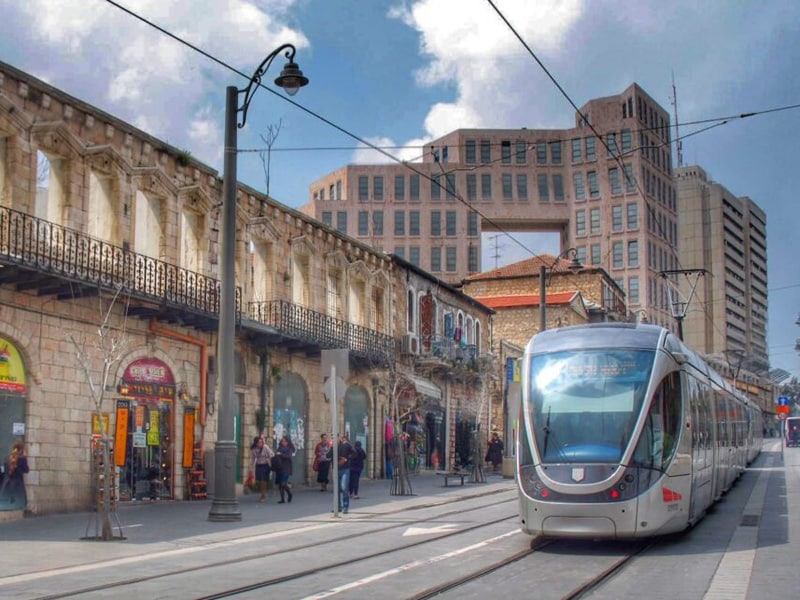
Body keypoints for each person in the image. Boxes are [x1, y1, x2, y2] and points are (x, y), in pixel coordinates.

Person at [0, 440, 30, 509]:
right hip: (17, 484)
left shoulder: (7, 458)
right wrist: (25, 457)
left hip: (6, 484)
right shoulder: (22, 459)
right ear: (21, 450)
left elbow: (6, 471)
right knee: (18, 504)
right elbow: (26, 470)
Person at [250, 435, 274, 503]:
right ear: (256, 443)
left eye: (261, 442)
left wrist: (267, 457)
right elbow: (253, 458)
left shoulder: (265, 447)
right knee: (260, 480)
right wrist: (251, 467)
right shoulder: (254, 449)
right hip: (258, 465)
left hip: (265, 465)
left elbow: (271, 454)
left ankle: (264, 494)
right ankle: (263, 493)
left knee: (264, 480)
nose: (260, 444)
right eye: (259, 442)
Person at [333, 434, 354, 513]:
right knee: (337, 489)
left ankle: (345, 506)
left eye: (335, 437)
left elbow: (354, 453)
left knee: (344, 487)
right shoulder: (333, 447)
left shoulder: (346, 445)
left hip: (345, 469)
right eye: (332, 437)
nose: (334, 439)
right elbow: (328, 455)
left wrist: (346, 459)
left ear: (339, 438)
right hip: (336, 469)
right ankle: (338, 507)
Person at [272, 435, 295, 504]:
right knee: (280, 484)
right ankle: (282, 499)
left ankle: (289, 494)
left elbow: (289, 457)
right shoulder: (279, 448)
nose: (283, 442)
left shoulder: (289, 448)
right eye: (282, 441)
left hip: (286, 467)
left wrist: (281, 454)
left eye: (284, 441)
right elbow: (276, 455)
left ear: (288, 442)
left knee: (283, 483)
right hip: (279, 467)